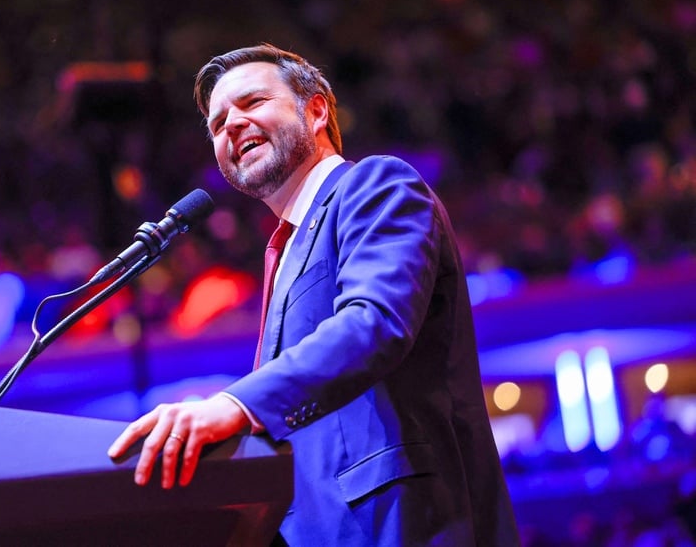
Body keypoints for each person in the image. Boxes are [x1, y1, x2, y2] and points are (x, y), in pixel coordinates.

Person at [107, 43, 520, 546]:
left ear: (317, 109)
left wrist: (235, 404)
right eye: (217, 124)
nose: (231, 124)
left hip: (402, 523)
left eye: (253, 102)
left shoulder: (375, 184)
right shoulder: (284, 250)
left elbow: (373, 324)